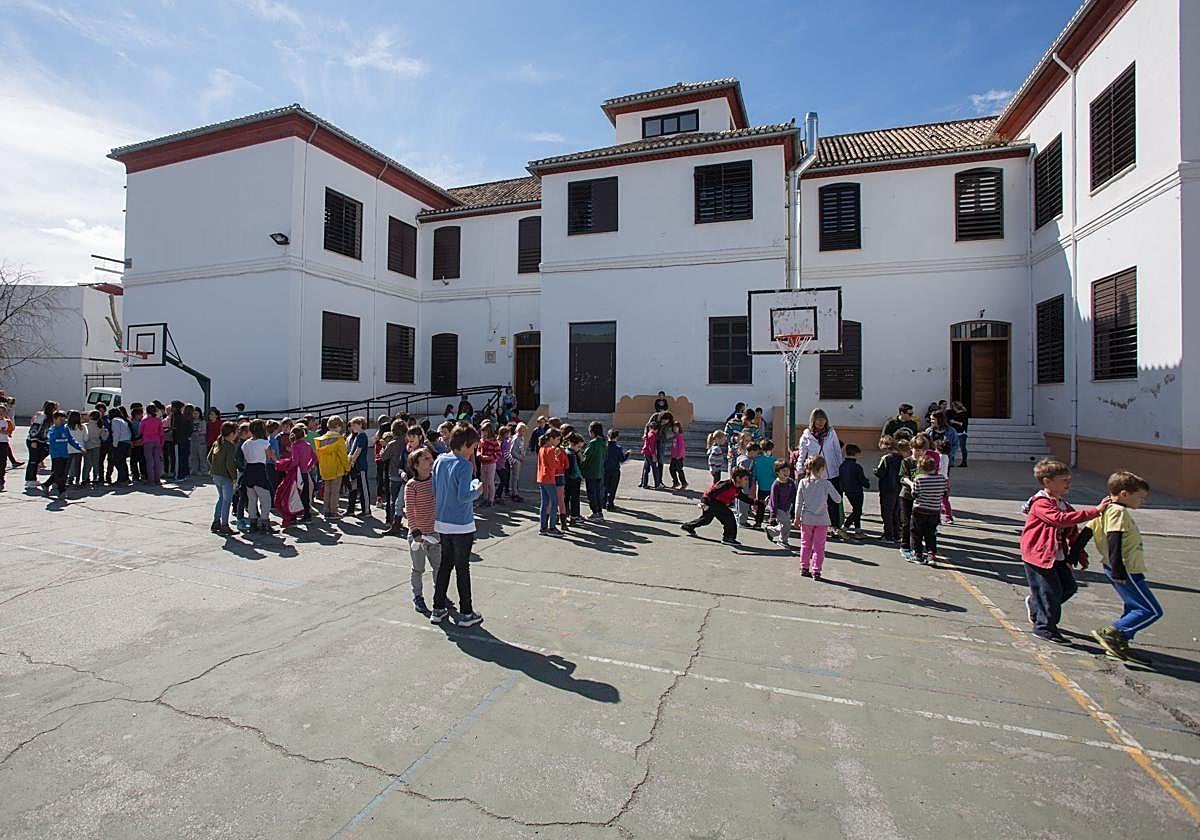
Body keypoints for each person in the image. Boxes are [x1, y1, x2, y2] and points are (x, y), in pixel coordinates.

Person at [1019, 458, 1107, 645]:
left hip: (1056, 554)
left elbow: (1071, 529)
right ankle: (1044, 627)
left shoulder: (1062, 503)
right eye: (1063, 480)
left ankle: (1036, 605)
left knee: (1068, 588)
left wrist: (1078, 554)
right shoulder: (1041, 503)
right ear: (1047, 482)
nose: (1068, 483)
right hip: (1039, 554)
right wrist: (1095, 511)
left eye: (1068, 479)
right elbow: (1059, 520)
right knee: (1051, 592)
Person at [1085, 471, 1159, 666]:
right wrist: (1118, 570)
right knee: (1150, 610)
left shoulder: (1106, 508)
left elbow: (1087, 530)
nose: (1142, 501)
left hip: (1124, 568)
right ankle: (1113, 632)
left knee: (1133, 607)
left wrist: (1075, 553)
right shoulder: (1117, 511)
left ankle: (1120, 642)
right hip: (1126, 569)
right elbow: (1114, 539)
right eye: (1140, 497)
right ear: (1125, 494)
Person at [430, 423, 483, 627]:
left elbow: (436, 490)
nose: (473, 452)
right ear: (464, 445)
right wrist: (477, 489)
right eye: (472, 448)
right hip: (461, 524)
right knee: (462, 568)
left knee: (445, 565)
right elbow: (464, 497)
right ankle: (467, 613)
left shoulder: (440, 460)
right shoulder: (464, 465)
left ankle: (438, 608)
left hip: (442, 521)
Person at [405, 447, 447, 614]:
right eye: (426, 459)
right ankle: (418, 596)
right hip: (418, 536)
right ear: (415, 465)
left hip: (435, 533)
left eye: (431, 458)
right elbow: (409, 510)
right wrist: (415, 531)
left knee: (438, 567)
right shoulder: (412, 485)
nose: (431, 461)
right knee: (418, 568)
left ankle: (440, 595)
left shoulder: (435, 480)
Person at [796, 409, 843, 535]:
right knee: (816, 499)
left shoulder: (831, 433)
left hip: (831, 471)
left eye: (823, 420)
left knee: (833, 500)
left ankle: (834, 525)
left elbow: (837, 451)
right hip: (815, 472)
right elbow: (802, 454)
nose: (821, 423)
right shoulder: (806, 435)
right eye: (818, 420)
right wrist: (800, 469)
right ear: (813, 421)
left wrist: (840, 467)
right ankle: (815, 523)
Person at [796, 455, 842, 580]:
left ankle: (804, 567)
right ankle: (816, 571)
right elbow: (838, 499)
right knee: (819, 547)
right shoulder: (826, 483)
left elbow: (798, 502)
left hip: (807, 519)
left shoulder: (803, 483)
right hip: (822, 519)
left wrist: (797, 517)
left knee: (805, 544)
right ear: (822, 468)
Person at [680, 466, 754, 545]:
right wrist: (704, 503)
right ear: (738, 478)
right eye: (745, 479)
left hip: (715, 502)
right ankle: (728, 537)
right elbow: (712, 492)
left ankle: (688, 526)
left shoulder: (737, 488)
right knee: (728, 516)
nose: (746, 481)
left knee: (706, 520)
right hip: (711, 501)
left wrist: (756, 502)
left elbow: (743, 498)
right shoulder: (727, 485)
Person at [908, 455, 948, 564]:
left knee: (916, 533)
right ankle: (931, 554)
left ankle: (918, 554)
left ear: (921, 467)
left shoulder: (919, 479)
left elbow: (915, 494)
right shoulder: (942, 479)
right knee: (931, 533)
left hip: (920, 510)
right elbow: (944, 493)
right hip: (934, 510)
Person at [241, 419, 276, 533]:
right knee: (266, 499)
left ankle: (253, 523)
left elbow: (246, 459)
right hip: (260, 471)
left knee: (252, 499)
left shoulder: (245, 444)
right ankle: (265, 522)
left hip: (249, 471)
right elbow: (268, 457)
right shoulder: (264, 443)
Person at [42, 410, 84, 499]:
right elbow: (51, 440)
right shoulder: (52, 430)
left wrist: (79, 447)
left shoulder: (65, 428)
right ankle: (62, 491)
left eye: (64, 420)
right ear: (55, 419)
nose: (62, 422)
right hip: (56, 455)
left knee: (59, 472)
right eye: (60, 420)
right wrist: (57, 434)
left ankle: (46, 484)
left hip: (65, 454)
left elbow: (70, 439)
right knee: (59, 474)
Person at [315, 416, 350, 519]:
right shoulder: (339, 440)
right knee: (335, 491)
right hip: (336, 468)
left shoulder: (321, 439)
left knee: (327, 491)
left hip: (325, 468)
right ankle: (334, 511)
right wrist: (347, 467)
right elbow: (343, 456)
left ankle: (326, 511)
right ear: (338, 426)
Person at [208, 421, 238, 535]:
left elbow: (209, 458)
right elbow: (230, 464)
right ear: (231, 434)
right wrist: (234, 477)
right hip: (225, 477)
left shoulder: (217, 442)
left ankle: (216, 521)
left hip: (215, 475)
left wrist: (215, 468)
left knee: (221, 498)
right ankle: (224, 524)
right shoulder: (229, 446)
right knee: (227, 501)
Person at [873, 436, 902, 543]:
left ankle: (888, 535)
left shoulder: (886, 458)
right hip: (898, 488)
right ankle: (896, 534)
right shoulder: (901, 458)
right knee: (896, 512)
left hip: (887, 488)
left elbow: (880, 473)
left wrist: (875, 471)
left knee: (887, 513)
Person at [537, 428, 565, 534]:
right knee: (554, 502)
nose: (558, 442)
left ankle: (543, 527)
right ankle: (552, 526)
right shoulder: (551, 449)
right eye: (557, 439)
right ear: (551, 438)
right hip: (549, 479)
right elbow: (554, 465)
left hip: (541, 478)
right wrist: (557, 457)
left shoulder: (542, 448)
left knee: (544, 503)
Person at [23, 400, 56, 489]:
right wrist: (34, 440)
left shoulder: (50, 418)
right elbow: (34, 428)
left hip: (43, 441)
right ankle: (30, 479)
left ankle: (33, 478)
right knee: (33, 460)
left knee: (38, 459)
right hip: (34, 441)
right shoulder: (42, 416)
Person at [838, 443, 870, 535]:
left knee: (856, 509)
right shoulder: (857, 467)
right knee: (857, 510)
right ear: (856, 454)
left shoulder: (842, 466)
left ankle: (857, 529)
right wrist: (867, 483)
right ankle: (845, 527)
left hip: (847, 491)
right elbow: (862, 479)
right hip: (857, 491)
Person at [765, 462, 797, 549]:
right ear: (778, 472)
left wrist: (793, 509)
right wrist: (773, 515)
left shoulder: (791, 482)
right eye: (783, 471)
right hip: (778, 508)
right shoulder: (776, 485)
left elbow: (793, 495)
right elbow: (773, 501)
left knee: (785, 524)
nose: (786, 472)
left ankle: (771, 531)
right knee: (786, 524)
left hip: (787, 507)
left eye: (788, 470)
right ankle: (782, 541)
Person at [344, 416, 371, 518]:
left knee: (363, 489)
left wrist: (352, 461)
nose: (353, 426)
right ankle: (355, 509)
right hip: (356, 466)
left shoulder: (362, 436)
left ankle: (366, 510)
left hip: (360, 466)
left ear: (360, 424)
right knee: (355, 487)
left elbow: (358, 450)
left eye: (355, 424)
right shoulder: (357, 436)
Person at [288, 424, 316, 523]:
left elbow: (295, 461)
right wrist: (308, 466)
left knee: (295, 494)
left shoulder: (295, 445)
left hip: (297, 472)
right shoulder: (307, 445)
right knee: (305, 494)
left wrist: (289, 467)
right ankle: (307, 515)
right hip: (305, 472)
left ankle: (294, 516)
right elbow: (314, 457)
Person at [580, 421, 608, 520]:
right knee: (598, 493)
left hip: (591, 472)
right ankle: (599, 512)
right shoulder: (604, 442)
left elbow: (585, 458)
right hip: (600, 471)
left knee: (591, 493)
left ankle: (595, 512)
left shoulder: (593, 443)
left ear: (592, 431)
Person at [751, 441, 777, 528]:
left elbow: (754, 474)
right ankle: (773, 521)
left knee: (761, 505)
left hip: (761, 486)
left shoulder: (757, 460)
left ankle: (758, 522)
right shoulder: (774, 461)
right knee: (773, 505)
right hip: (772, 486)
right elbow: (775, 474)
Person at [477, 422, 500, 508]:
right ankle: (485, 498)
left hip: (490, 464)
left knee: (490, 481)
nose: (483, 433)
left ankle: (491, 500)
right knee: (483, 481)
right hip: (483, 463)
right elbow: (478, 450)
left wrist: (490, 457)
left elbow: (498, 453)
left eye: (485, 431)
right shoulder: (481, 441)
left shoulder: (494, 442)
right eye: (482, 432)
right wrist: (479, 455)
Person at [141, 405, 165, 486]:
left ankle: (151, 480)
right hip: (157, 441)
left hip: (147, 441)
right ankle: (157, 479)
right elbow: (161, 433)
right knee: (157, 461)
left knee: (149, 461)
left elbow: (140, 431)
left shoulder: (144, 421)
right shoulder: (158, 421)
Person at [107, 406, 131, 485]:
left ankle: (122, 479)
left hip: (121, 442)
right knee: (122, 461)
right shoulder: (123, 420)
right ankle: (125, 478)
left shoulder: (115, 420)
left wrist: (115, 444)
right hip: (127, 441)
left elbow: (116, 433)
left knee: (117, 461)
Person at [564, 433, 584, 526]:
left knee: (568, 498)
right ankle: (573, 517)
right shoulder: (569, 454)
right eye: (578, 446)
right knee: (573, 499)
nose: (579, 448)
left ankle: (569, 516)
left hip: (572, 479)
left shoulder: (571, 452)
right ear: (572, 443)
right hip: (572, 479)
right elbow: (569, 469)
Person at [935, 439, 955, 524]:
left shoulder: (939, 457)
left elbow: (938, 468)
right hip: (945, 479)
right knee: (945, 500)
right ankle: (948, 515)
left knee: (937, 500)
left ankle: (938, 517)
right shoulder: (946, 457)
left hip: (938, 480)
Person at [65, 410, 87, 486]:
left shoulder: (66, 427)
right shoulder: (83, 427)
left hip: (69, 448)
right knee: (77, 465)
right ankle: (77, 481)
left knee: (68, 465)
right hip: (80, 448)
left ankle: (67, 479)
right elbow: (86, 438)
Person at [508, 422, 527, 503]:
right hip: (516, 460)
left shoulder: (522, 438)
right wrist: (519, 458)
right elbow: (512, 451)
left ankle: (516, 491)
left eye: (523, 431)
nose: (522, 432)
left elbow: (522, 448)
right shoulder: (515, 438)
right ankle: (514, 493)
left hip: (520, 458)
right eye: (521, 431)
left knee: (517, 477)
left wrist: (523, 454)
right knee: (515, 477)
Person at [639, 419, 660, 489]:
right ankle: (657, 484)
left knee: (646, 468)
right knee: (655, 468)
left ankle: (644, 483)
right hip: (650, 454)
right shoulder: (652, 436)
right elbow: (651, 447)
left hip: (646, 452)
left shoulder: (648, 434)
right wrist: (654, 455)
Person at [947, 401, 969, 467]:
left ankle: (964, 462)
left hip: (961, 433)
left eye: (953, 406)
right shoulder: (954, 413)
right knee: (952, 447)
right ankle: (951, 462)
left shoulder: (963, 414)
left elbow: (962, 424)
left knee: (963, 448)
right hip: (955, 432)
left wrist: (954, 421)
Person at [668, 421, 687, 490]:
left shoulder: (680, 437)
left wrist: (679, 456)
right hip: (674, 456)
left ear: (679, 428)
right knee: (671, 469)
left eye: (676, 427)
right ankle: (675, 482)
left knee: (679, 470)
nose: (675, 429)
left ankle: (684, 483)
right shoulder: (674, 437)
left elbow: (681, 447)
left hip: (679, 457)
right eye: (674, 427)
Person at [496, 425, 513, 502]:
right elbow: (506, 453)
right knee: (503, 480)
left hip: (498, 463)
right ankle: (497, 494)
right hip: (502, 463)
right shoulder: (506, 442)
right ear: (506, 434)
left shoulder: (500, 440)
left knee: (503, 479)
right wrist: (512, 461)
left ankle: (498, 494)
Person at [0, 403, 13, 491]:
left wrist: (7, 432)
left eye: (2, 412)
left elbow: (9, 432)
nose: (0, 414)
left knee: (2, 461)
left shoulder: (7, 422)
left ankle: (1, 478)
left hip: (3, 443)